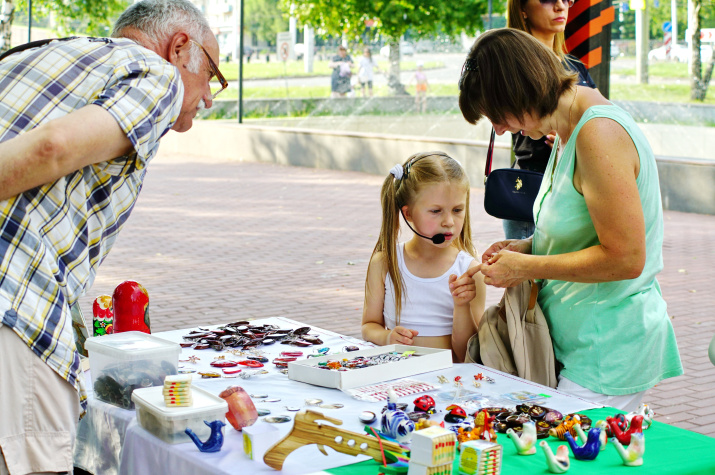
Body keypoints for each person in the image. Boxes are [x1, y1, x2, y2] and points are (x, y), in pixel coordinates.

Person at [0, 0, 226, 473]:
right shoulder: (158, 75)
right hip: (15, 308)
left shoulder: (38, 54)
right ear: (179, 47)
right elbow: (53, 147)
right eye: (211, 73)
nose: (209, 96)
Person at [458, 28, 683, 410]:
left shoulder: (598, 133)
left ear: (519, 91)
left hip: (606, 353)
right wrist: (527, 247)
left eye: (497, 114)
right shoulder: (570, 130)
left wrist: (525, 267)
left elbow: (626, 258)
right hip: (584, 347)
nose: (499, 128)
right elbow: (586, 231)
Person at [361, 152, 486, 362]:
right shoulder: (385, 263)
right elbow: (368, 326)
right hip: (397, 375)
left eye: (457, 210)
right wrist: (387, 337)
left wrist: (462, 306)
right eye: (436, 211)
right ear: (408, 213)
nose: (449, 222)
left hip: (448, 378)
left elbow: (468, 353)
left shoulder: (470, 272)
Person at [502, 0, 597, 240]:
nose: (560, 6)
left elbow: (601, 118)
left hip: (575, 189)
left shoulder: (573, 65)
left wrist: (576, 133)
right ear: (522, 9)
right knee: (526, 263)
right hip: (532, 187)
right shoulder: (513, 65)